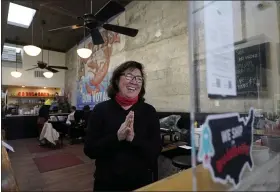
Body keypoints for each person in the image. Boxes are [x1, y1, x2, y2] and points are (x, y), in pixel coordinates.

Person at [84, 61, 162, 191]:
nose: (134, 81)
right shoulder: (101, 110)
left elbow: (155, 150)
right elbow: (90, 150)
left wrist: (133, 138)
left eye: (138, 78)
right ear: (116, 80)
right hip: (107, 184)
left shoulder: (149, 111)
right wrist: (117, 137)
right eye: (129, 76)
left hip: (141, 183)